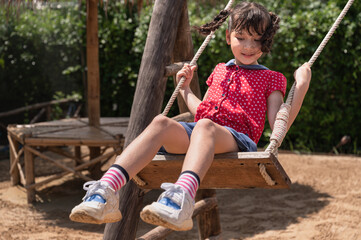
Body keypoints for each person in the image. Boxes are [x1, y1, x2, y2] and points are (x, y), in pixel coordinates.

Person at [69, 1, 312, 231]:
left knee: (204, 126)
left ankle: (181, 199)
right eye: (241, 37)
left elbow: (278, 123)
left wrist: (300, 87)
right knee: (161, 122)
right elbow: (204, 110)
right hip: (202, 133)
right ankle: (106, 191)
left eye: (256, 40)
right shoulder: (220, 70)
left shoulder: (271, 78)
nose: (248, 46)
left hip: (237, 139)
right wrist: (184, 90)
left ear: (266, 42)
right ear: (228, 37)